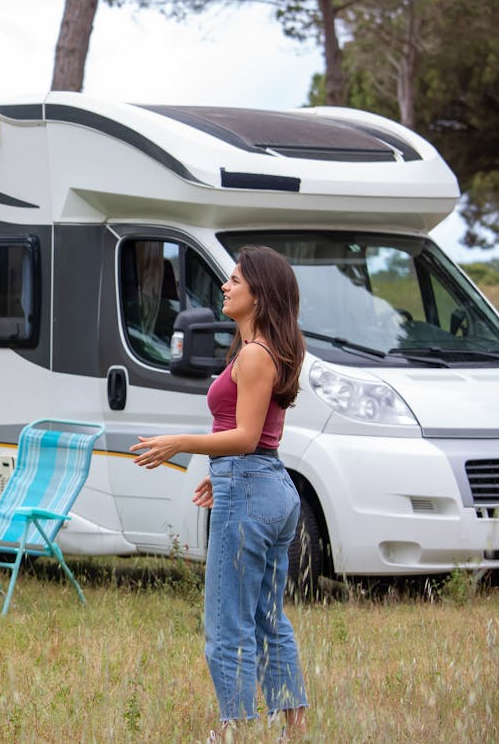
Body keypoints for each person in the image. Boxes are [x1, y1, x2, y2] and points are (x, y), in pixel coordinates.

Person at [130, 246, 308, 741]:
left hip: (251, 488)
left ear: (259, 293)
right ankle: (295, 727)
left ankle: (233, 730)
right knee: (269, 617)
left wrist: (180, 444)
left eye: (234, 281)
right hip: (269, 484)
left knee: (227, 623)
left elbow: (246, 436)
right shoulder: (274, 347)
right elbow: (261, 437)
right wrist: (222, 470)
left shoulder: (254, 355)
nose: (225, 288)